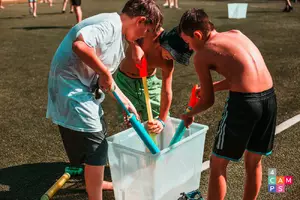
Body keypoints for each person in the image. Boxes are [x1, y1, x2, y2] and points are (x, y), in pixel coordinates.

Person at [46, 0, 162, 199]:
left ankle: (94, 182)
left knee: (95, 137)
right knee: (97, 146)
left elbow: (106, 80)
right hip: (71, 89)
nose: (143, 36)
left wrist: (127, 103)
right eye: (146, 30)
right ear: (141, 20)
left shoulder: (116, 33)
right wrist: (103, 72)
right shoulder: (111, 25)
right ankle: (95, 194)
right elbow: (80, 45)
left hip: (79, 90)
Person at [179, 9, 277, 200]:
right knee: (254, 161)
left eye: (188, 42)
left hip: (245, 104)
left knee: (217, 164)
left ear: (197, 35)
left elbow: (207, 101)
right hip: (269, 98)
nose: (189, 48)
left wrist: (189, 113)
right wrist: (214, 86)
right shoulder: (236, 34)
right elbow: (242, 75)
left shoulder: (202, 55)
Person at [116, 26, 193, 134]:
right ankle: (138, 148)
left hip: (149, 83)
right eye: (174, 54)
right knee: (131, 120)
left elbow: (167, 91)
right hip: (125, 82)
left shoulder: (168, 63)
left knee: (163, 120)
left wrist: (161, 120)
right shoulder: (150, 31)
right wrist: (134, 46)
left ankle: (169, 148)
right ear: (167, 44)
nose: (173, 59)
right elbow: (127, 28)